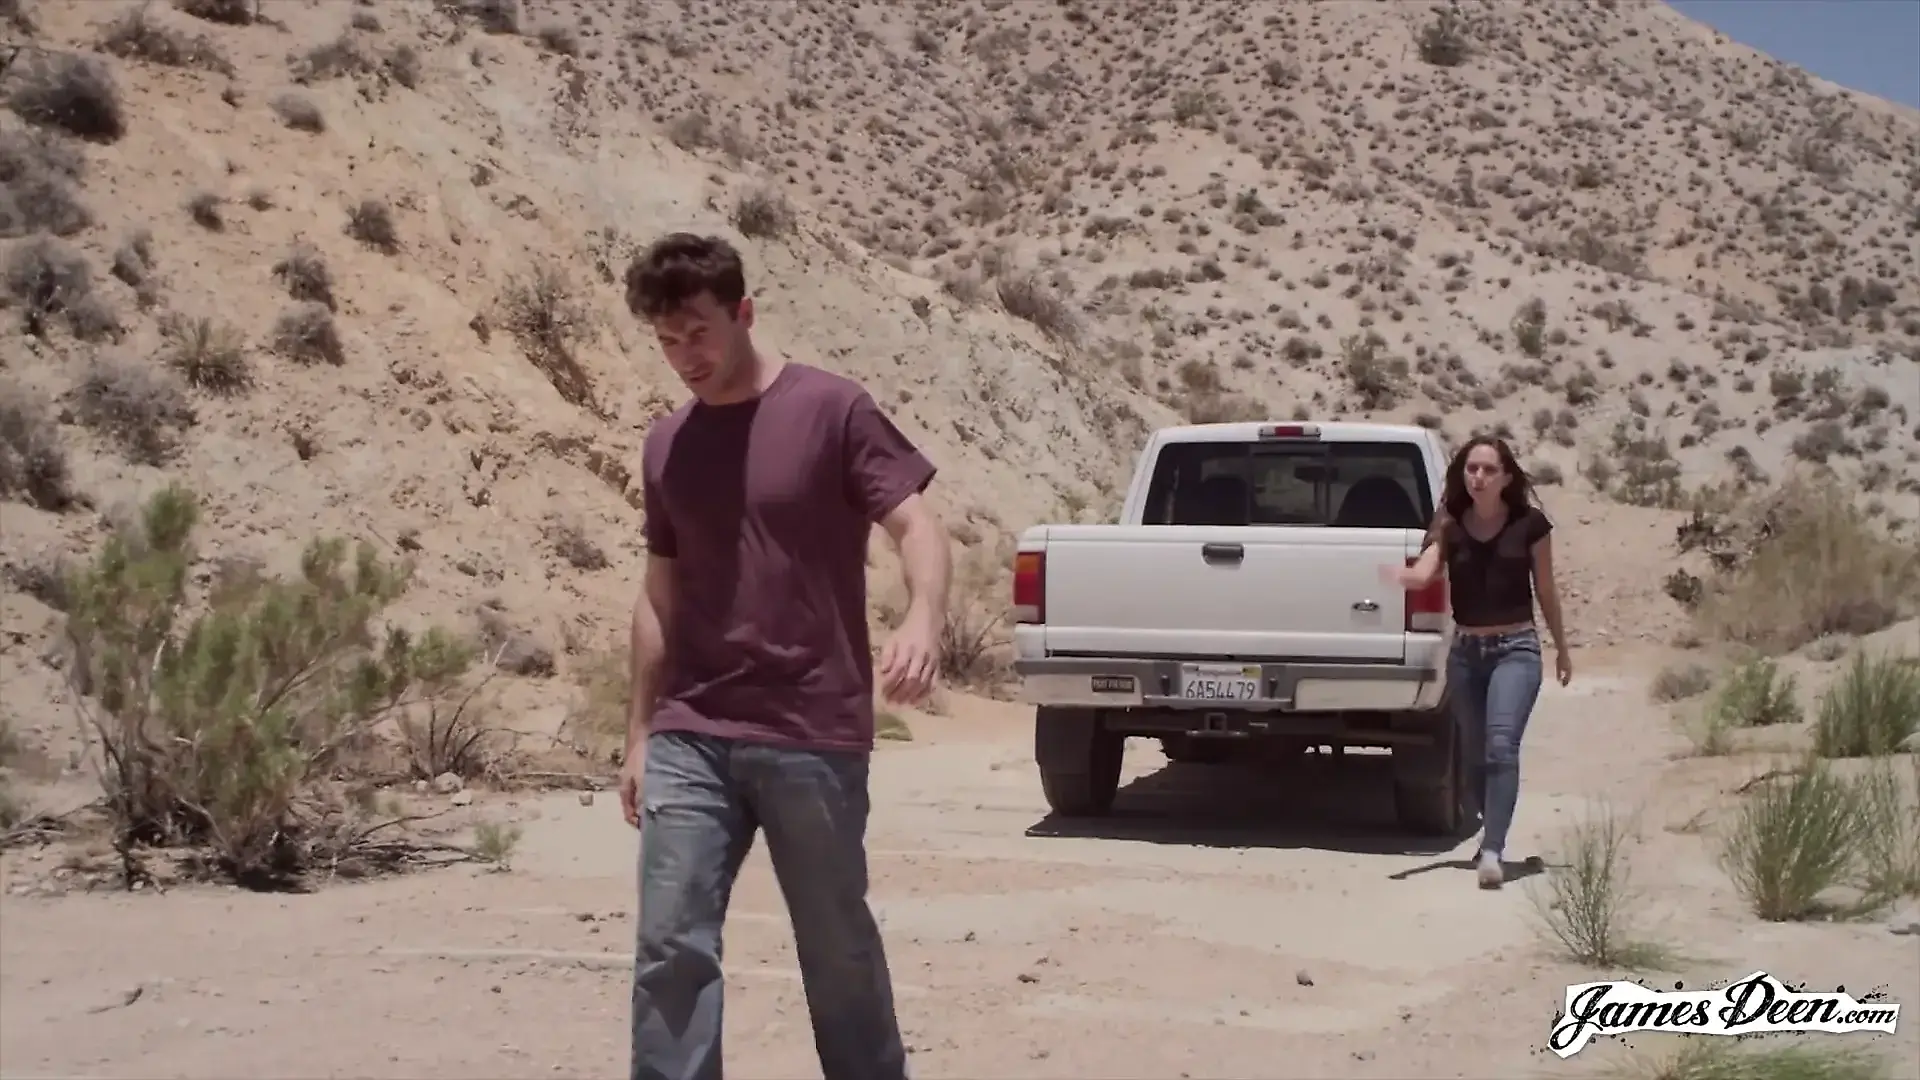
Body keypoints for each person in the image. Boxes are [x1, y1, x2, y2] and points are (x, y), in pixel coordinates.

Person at [618, 232, 951, 1080]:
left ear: (744, 312)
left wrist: (923, 617)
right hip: (693, 729)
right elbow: (658, 596)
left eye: (698, 332)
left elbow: (917, 525)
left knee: (836, 950)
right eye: (666, 341)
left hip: (812, 730)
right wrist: (639, 734)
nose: (684, 356)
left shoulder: (833, 409)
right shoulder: (666, 444)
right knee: (670, 945)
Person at [1385, 435, 1571, 890]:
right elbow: (1425, 572)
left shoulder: (1530, 525)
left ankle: (1493, 850)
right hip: (1466, 655)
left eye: (1489, 469)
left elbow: (1546, 590)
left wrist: (1562, 648)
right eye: (1472, 469)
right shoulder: (1450, 525)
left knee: (1501, 747)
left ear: (1506, 477)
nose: (1479, 477)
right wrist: (1401, 576)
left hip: (1516, 650)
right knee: (1472, 756)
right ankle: (1494, 828)